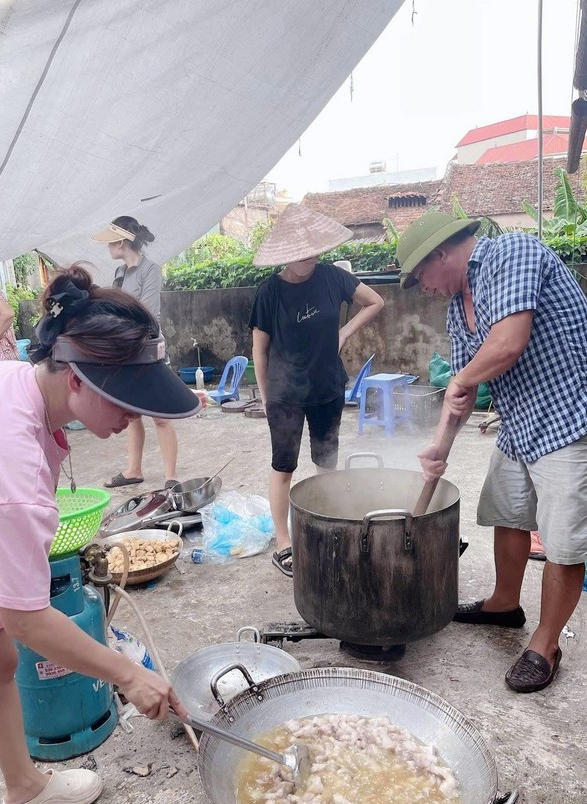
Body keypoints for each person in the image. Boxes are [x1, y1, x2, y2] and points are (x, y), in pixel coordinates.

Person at [0, 265, 198, 804]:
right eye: (127, 400)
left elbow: (11, 627)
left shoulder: (31, 387)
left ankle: (24, 787)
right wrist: (128, 673)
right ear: (77, 378)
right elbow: (27, 618)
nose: (134, 416)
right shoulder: (8, 458)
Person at [397, 210, 587, 693]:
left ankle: (546, 644)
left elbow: (507, 343)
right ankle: (505, 603)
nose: (424, 288)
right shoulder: (457, 308)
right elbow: (463, 391)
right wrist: (440, 445)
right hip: (519, 422)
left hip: (570, 418)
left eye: (421, 277)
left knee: (562, 541)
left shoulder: (510, 252)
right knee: (508, 514)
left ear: (441, 254)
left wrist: (462, 379)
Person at [250, 204, 385, 577]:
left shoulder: (332, 278)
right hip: (284, 393)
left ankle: (326, 527)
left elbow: (375, 302)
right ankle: (283, 541)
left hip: (327, 387)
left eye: (311, 248)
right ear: (284, 253)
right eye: (297, 251)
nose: (306, 257)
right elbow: (259, 349)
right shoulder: (269, 292)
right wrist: (264, 394)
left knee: (327, 463)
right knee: (284, 466)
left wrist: (344, 332)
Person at [91, 216, 179, 489]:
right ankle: (133, 470)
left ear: (121, 241)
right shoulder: (120, 275)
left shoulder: (150, 269)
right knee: (131, 415)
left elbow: (149, 313)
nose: (108, 248)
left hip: (149, 349)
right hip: (126, 351)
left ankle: (171, 478)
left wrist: (117, 322)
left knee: (161, 417)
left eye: (110, 242)